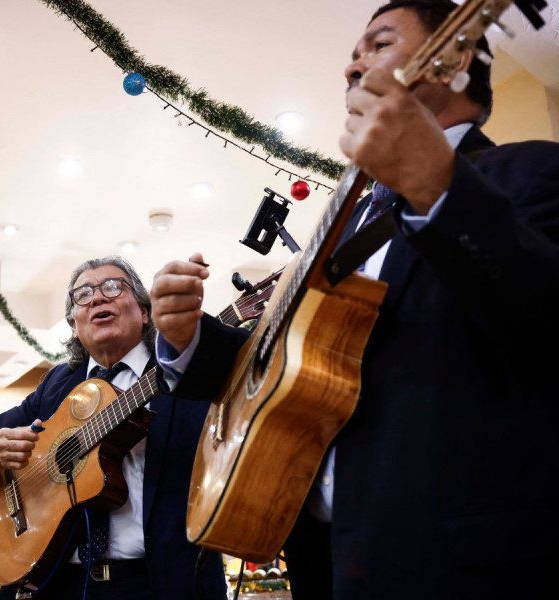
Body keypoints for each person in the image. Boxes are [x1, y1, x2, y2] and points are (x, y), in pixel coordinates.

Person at [150, 1, 559, 599]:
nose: (352, 67)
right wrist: (187, 340)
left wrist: (437, 184)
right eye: (351, 55)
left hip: (450, 562)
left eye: (378, 44)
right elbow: (287, 362)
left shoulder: (529, 172)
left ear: (455, 56)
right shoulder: (343, 222)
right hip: (322, 561)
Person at [0, 256, 228, 600]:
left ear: (145, 311)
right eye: (83, 295)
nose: (97, 298)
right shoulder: (56, 385)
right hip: (56, 583)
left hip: (162, 583)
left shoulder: (182, 365)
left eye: (113, 287)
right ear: (74, 325)